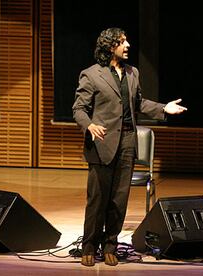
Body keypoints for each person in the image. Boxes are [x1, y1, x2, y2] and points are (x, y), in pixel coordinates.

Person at [72, 27, 187, 267]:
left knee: (119, 199)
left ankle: (110, 245)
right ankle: (90, 246)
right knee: (98, 199)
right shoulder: (91, 74)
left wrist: (164, 108)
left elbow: (138, 103)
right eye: (122, 42)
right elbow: (78, 109)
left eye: (126, 41)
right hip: (101, 142)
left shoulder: (132, 73)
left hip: (126, 141)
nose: (128, 46)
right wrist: (90, 125)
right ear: (109, 46)